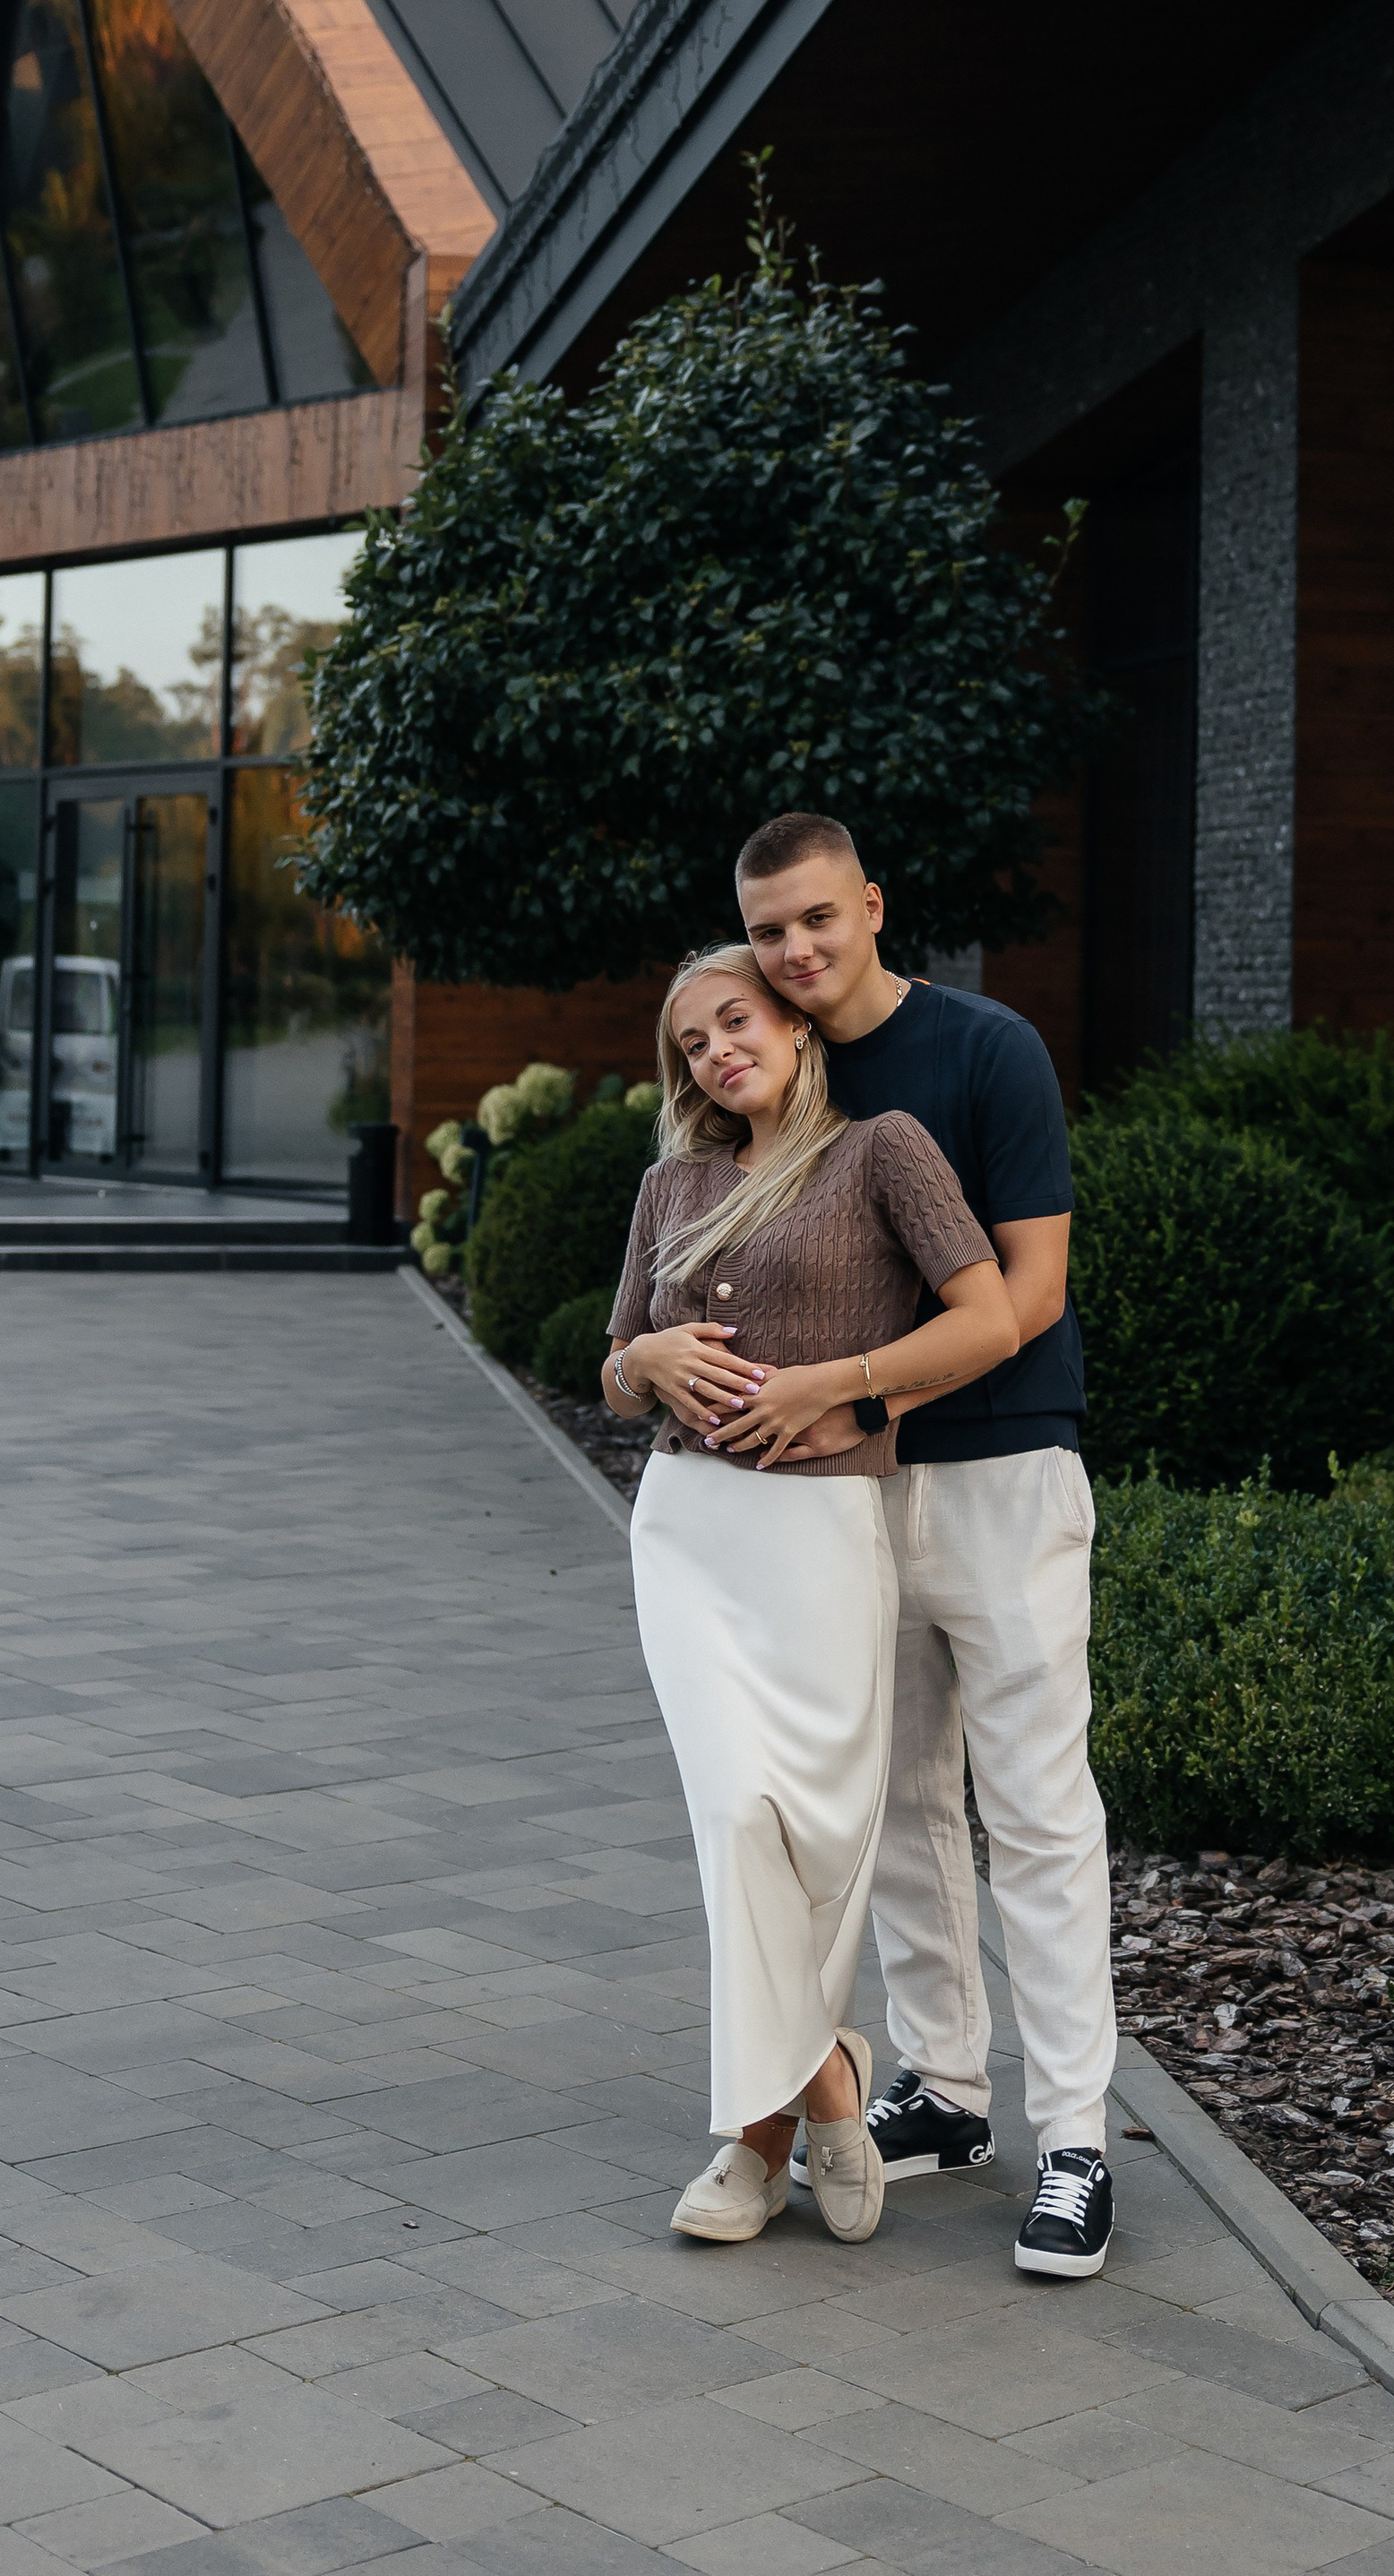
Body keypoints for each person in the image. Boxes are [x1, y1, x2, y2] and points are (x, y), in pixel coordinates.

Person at [727, 810, 1120, 2283]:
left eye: (819, 920)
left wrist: (843, 1386)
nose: (797, 952)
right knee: (890, 1803)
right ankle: (948, 2090)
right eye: (771, 931)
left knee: (1035, 1808)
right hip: (840, 1503)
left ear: (874, 906)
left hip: (1004, 1471)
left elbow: (1027, 1294)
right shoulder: (777, 1071)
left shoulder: (986, 1052)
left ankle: (1075, 2137)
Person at [598, 940, 1019, 2249]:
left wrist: (846, 1390)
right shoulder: (671, 1184)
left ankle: (793, 2108)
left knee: (819, 1843)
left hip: (830, 1533)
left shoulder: (884, 1150)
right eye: (693, 1044)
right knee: (737, 1818)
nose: (718, 1051)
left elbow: (989, 1318)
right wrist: (648, 1357)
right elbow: (612, 1366)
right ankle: (787, 2114)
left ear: (791, 1023)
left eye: (735, 1021)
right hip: (691, 1534)